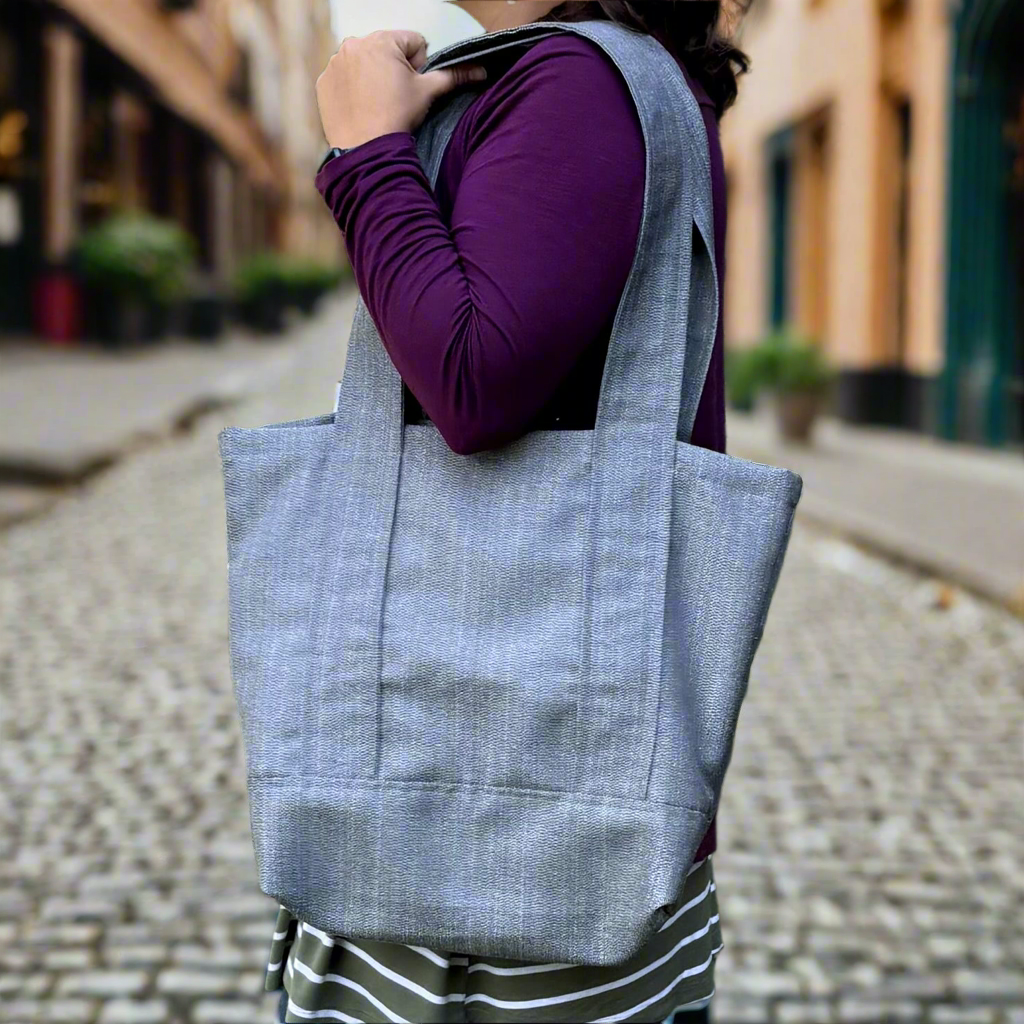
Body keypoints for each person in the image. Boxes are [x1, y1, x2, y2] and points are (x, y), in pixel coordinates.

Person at [266, 2, 749, 1021]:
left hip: (487, 877)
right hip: (500, 823)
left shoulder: (579, 87)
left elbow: (471, 380)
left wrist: (366, 151)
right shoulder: (601, 82)